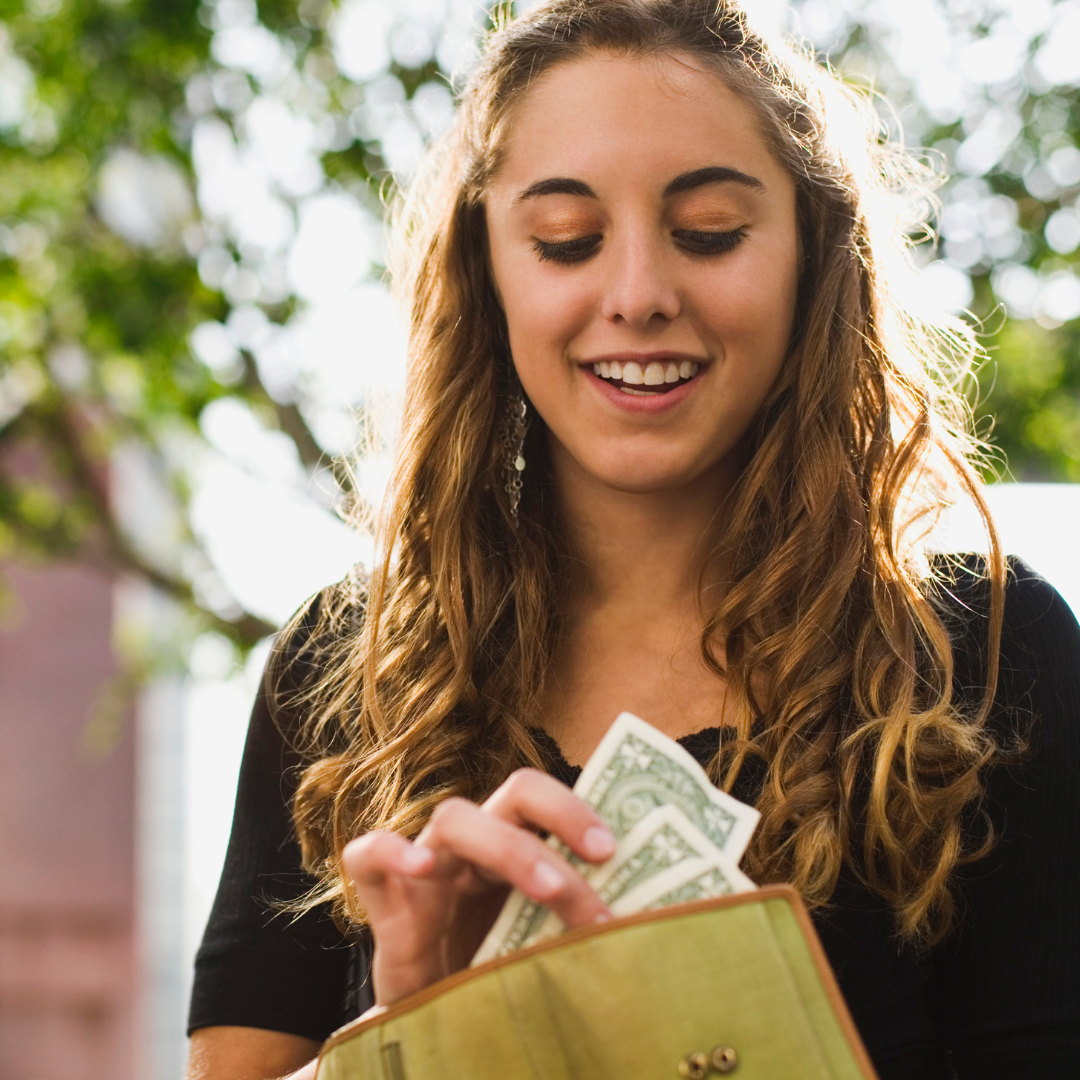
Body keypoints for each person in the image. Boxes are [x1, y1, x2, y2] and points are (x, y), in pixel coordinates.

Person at [184, 2, 1080, 1078]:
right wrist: (427, 1030)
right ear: (489, 268)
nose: (640, 296)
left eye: (708, 231)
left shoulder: (987, 651)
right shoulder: (346, 664)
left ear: (812, 253)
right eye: (566, 241)